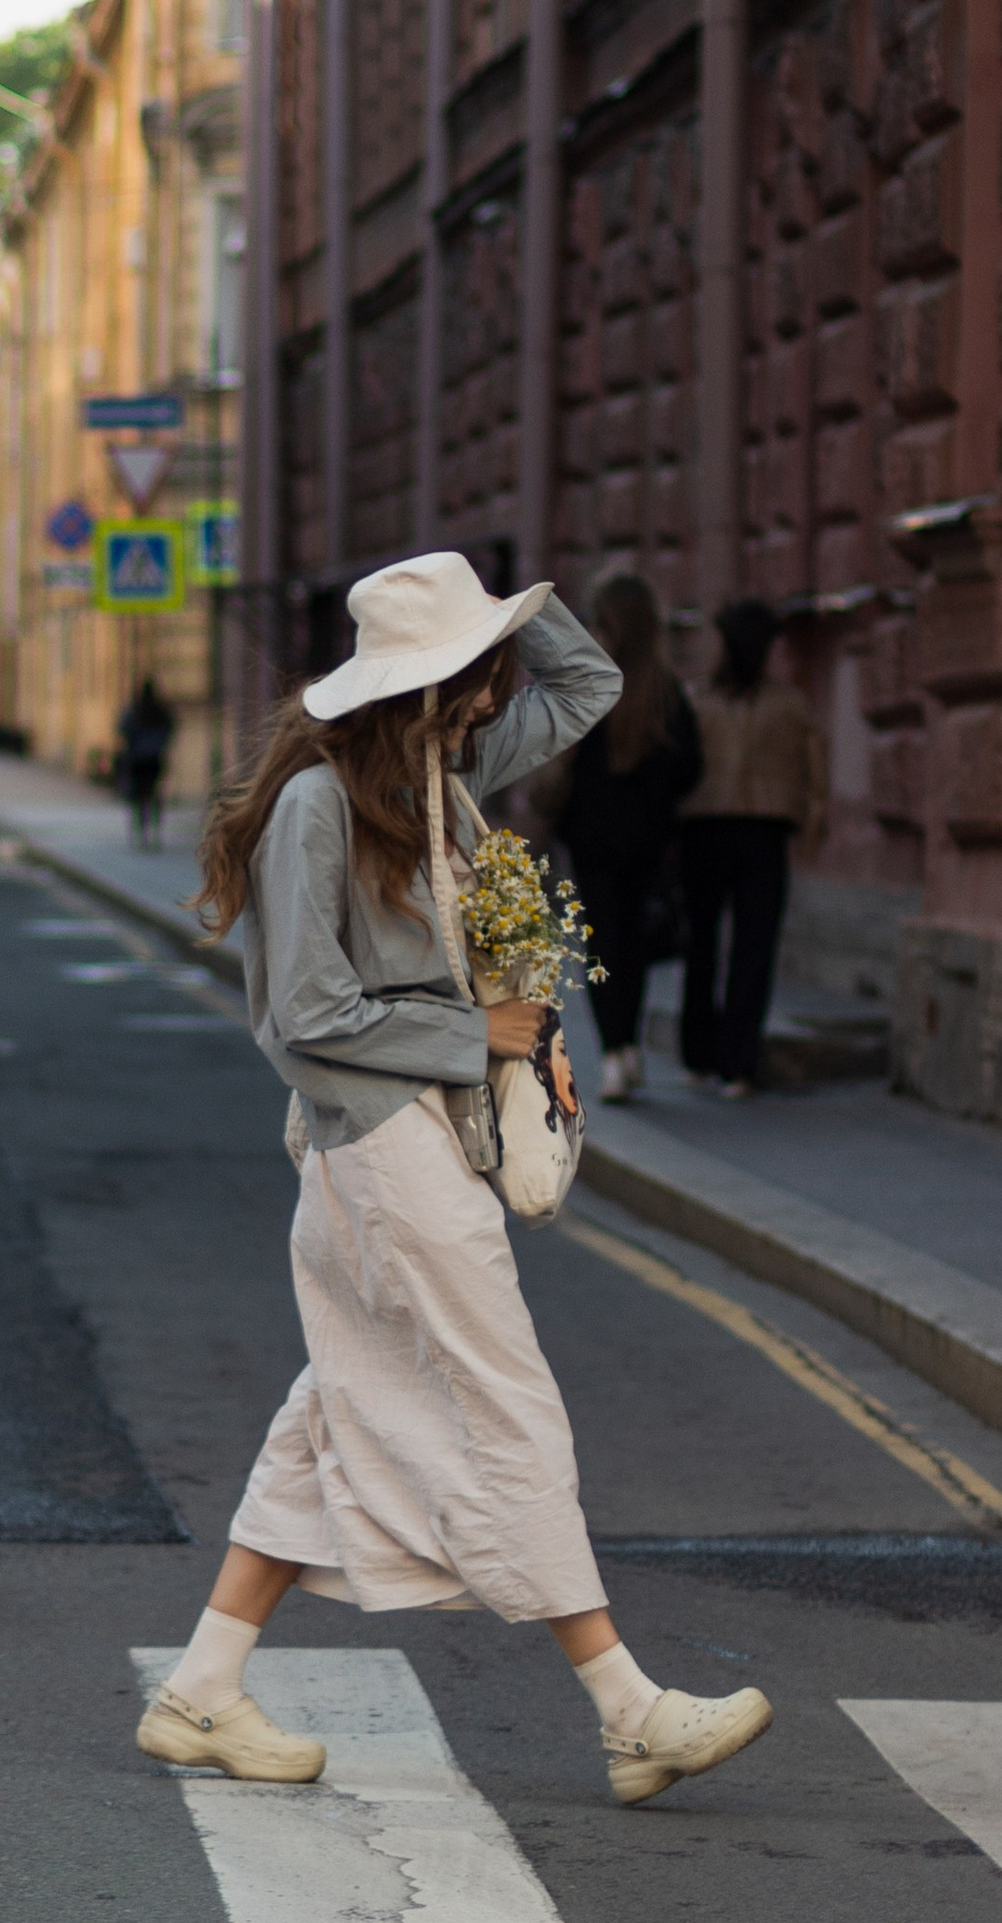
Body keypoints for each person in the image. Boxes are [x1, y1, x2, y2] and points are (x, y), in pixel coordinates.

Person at [138, 550, 772, 1805]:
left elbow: (585, 688)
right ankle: (627, 1706)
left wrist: (520, 602)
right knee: (503, 1397)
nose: (492, 701)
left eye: (487, 679)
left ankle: (200, 1689)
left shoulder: (430, 780)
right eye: (471, 679)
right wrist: (465, 1036)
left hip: (403, 1138)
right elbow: (298, 1011)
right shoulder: (322, 805)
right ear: (418, 689)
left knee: (335, 1409)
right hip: (374, 1141)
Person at [539, 570, 702, 1107]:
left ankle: (615, 1054)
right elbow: (690, 767)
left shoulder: (589, 684)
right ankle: (625, 1052)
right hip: (646, 841)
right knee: (630, 943)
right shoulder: (666, 692)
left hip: (593, 842)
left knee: (601, 944)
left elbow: (563, 765)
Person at [677, 597, 827, 1099]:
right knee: (753, 949)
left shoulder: (699, 700)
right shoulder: (791, 705)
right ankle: (738, 1065)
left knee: (702, 946)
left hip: (703, 829)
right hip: (766, 832)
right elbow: (814, 775)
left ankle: (698, 1055)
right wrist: (809, 829)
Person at [116, 676, 175, 849]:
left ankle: (140, 831)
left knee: (138, 797)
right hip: (154, 759)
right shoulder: (160, 711)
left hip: (137, 760)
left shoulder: (134, 710)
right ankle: (155, 831)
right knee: (154, 795)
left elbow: (123, 729)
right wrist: (158, 745)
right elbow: (169, 728)